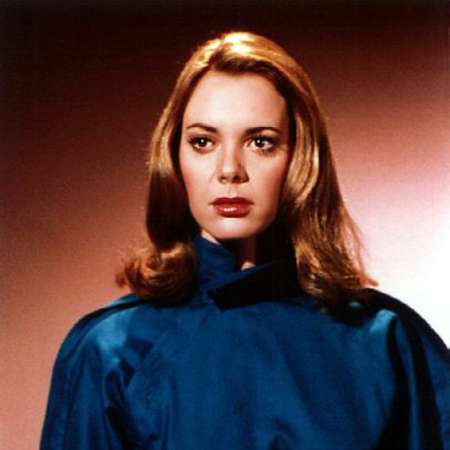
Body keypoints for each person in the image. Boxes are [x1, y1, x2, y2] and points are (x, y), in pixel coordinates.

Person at [40, 31, 450, 450]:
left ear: (300, 158)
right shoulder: (112, 351)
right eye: (203, 142)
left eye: (260, 142)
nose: (230, 169)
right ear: (174, 157)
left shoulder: (386, 341)